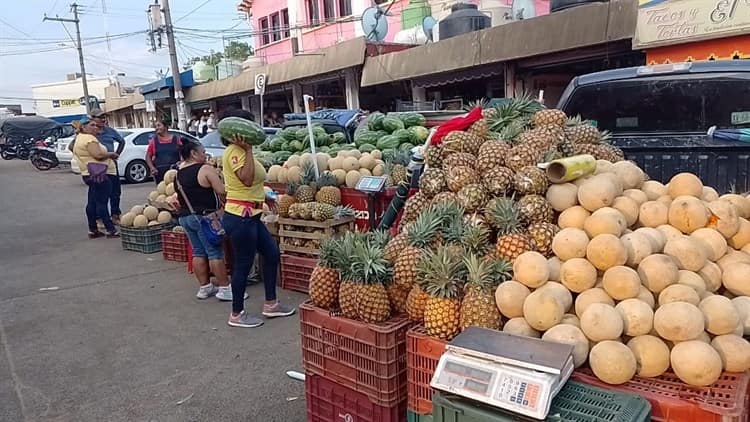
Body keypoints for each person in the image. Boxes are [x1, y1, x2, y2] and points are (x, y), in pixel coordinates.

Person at [221, 109, 295, 328]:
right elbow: (245, 179)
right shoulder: (235, 151)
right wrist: (249, 149)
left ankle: (271, 304)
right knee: (243, 264)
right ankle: (236, 313)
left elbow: (252, 184)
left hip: (252, 215)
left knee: (272, 254)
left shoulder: (243, 151)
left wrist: (265, 196)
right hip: (239, 217)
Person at [175, 141, 237, 301]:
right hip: (203, 218)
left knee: (198, 251)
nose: (205, 154)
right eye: (203, 152)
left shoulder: (178, 173)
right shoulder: (205, 169)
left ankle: (205, 287)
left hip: (185, 217)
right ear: (194, 154)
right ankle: (224, 288)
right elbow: (221, 191)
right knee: (214, 252)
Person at [72, 117, 120, 239]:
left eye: (96, 125)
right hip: (99, 173)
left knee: (92, 202)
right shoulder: (89, 139)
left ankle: (93, 229)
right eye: (92, 125)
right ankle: (110, 230)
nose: (96, 127)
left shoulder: (79, 138)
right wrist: (111, 154)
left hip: (88, 173)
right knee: (101, 202)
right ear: (84, 127)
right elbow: (98, 155)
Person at [90, 109, 125, 224]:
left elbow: (122, 141)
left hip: (111, 165)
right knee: (99, 195)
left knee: (115, 192)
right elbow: (75, 146)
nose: (103, 119)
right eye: (100, 117)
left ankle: (115, 215)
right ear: (93, 118)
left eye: (104, 117)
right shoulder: (89, 133)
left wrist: (117, 154)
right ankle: (99, 218)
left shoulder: (109, 131)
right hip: (97, 167)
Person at [145, 119, 182, 185]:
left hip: (175, 172)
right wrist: (152, 168)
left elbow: (183, 153)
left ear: (165, 126)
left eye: (159, 125)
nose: (156, 128)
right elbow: (148, 156)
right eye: (155, 126)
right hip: (159, 173)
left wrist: (181, 163)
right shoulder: (154, 141)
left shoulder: (176, 139)